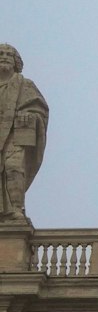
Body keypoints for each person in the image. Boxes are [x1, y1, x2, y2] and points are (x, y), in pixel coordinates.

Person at [0, 44, 49, 222]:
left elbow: (40, 109)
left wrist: (29, 116)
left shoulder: (25, 85)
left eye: (8, 54)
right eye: (1, 54)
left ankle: (15, 210)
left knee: (14, 169)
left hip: (14, 135)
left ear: (15, 62)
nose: (4, 57)